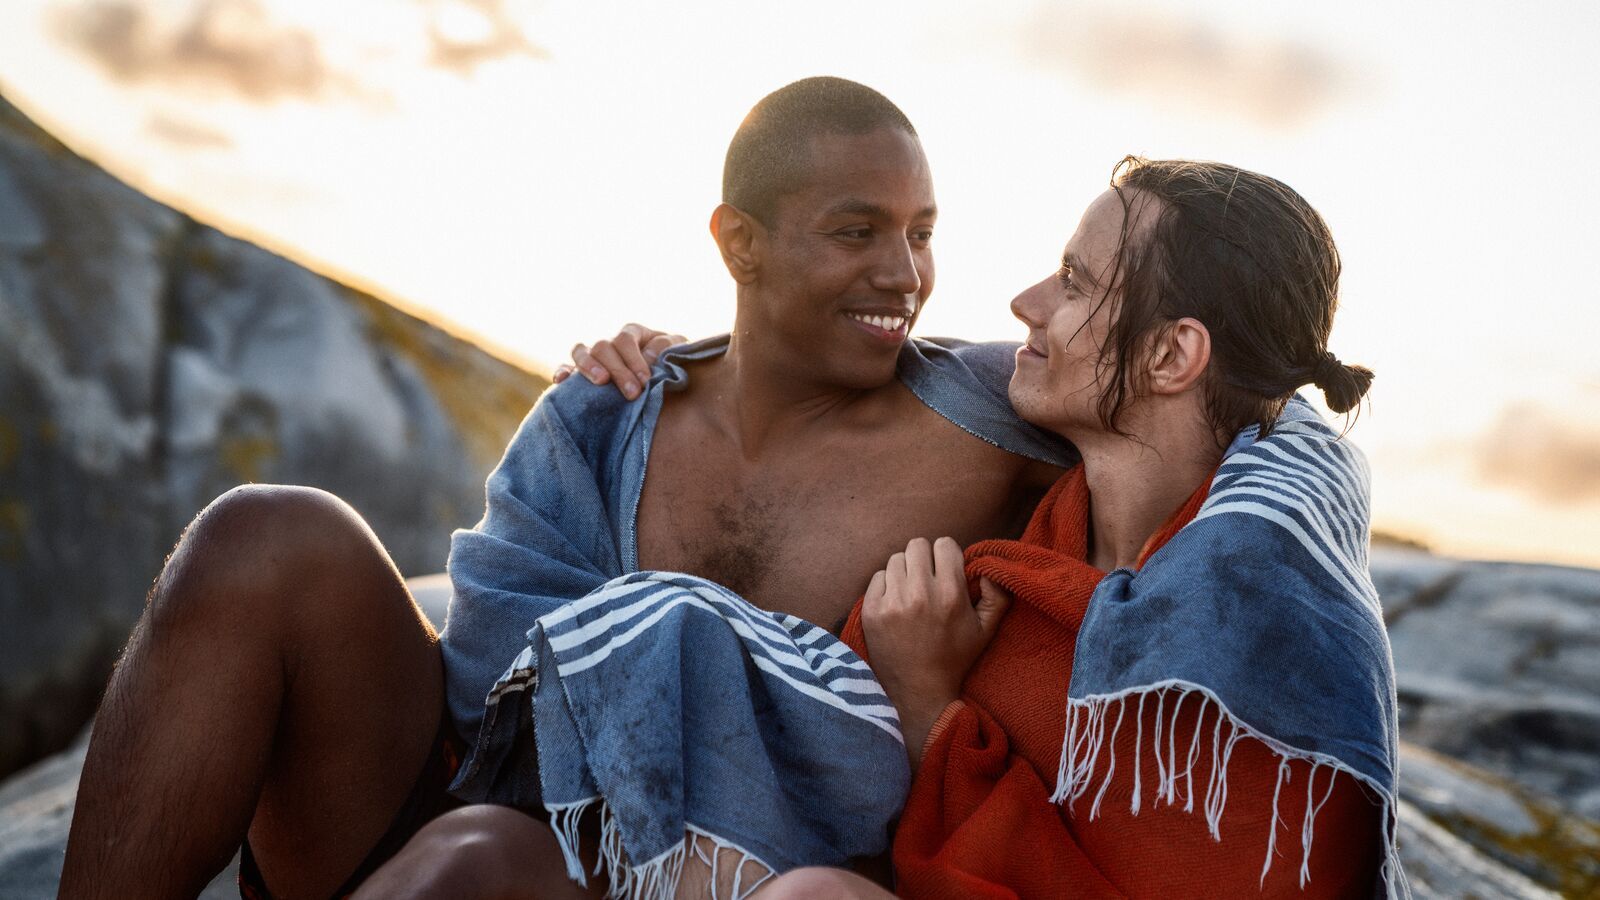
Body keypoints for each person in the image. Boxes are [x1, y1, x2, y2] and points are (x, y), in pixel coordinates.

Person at [58, 77, 1073, 900]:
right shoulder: (608, 412)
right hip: (479, 810)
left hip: (753, 869)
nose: (904, 273)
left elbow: (1173, 404)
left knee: (480, 859)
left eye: (922, 232)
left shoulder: (989, 415)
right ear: (738, 244)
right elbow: (484, 674)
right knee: (267, 531)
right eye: (857, 233)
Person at [571, 160, 1401, 898]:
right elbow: (872, 381)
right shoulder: (1024, 551)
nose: (1027, 303)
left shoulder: (1260, 654)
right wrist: (690, 376)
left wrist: (930, 707)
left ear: (1170, 357)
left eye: (1074, 283)